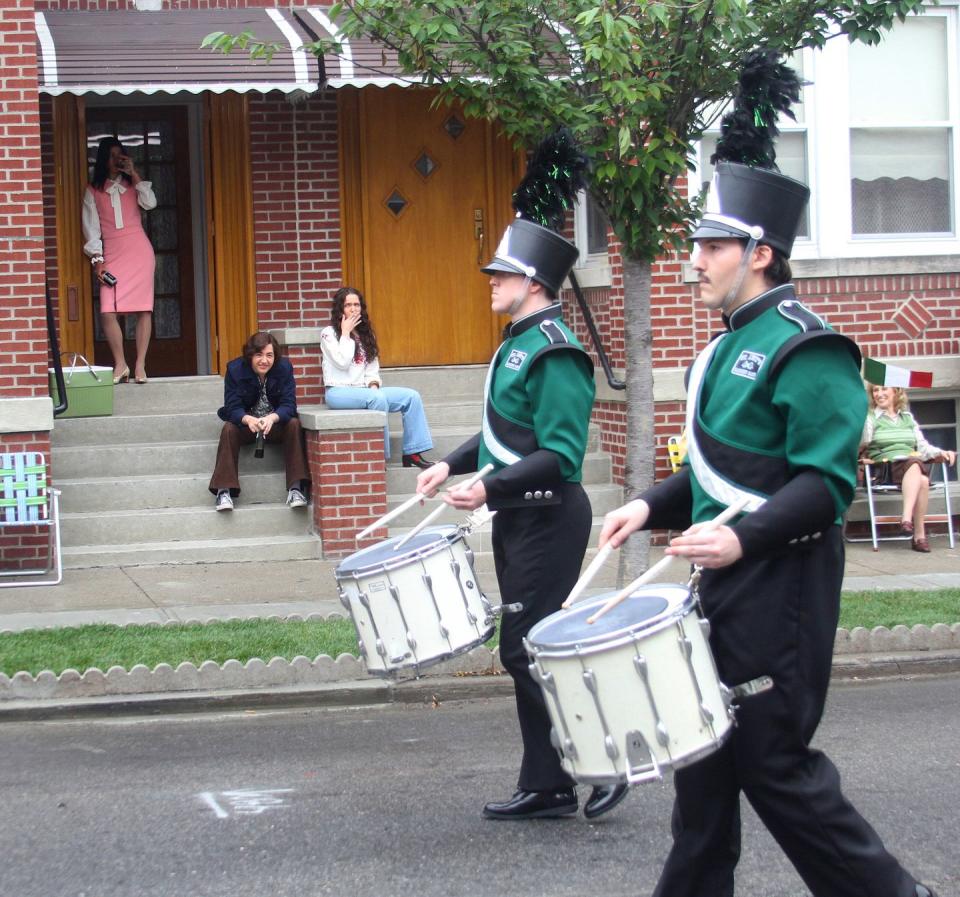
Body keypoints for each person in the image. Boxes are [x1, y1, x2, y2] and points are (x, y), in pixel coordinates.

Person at [598, 159, 939, 897]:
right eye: (696, 245)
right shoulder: (721, 350)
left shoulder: (807, 347)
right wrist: (648, 507)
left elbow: (824, 486)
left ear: (759, 253)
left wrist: (741, 540)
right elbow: (724, 476)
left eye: (712, 246)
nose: (694, 261)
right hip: (728, 585)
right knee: (703, 775)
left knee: (774, 766)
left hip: (782, 591)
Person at [416, 218, 624, 822]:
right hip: (518, 517)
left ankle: (603, 761)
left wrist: (485, 487)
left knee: (527, 651)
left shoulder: (556, 350)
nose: (490, 283)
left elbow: (559, 456)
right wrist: (450, 465)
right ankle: (549, 784)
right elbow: (504, 437)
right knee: (527, 652)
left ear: (533, 282)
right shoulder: (516, 343)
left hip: (551, 517)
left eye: (501, 274)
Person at [320, 287, 434, 469]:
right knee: (377, 397)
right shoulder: (328, 334)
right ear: (340, 309)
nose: (353, 309)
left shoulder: (366, 334)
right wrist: (346, 333)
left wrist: (373, 385)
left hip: (365, 391)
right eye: (348, 305)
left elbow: (372, 369)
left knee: (411, 397)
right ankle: (380, 456)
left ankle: (412, 453)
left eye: (356, 304)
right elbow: (342, 362)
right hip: (338, 392)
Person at [82, 136, 157, 385]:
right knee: (107, 311)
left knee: (143, 309)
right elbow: (91, 228)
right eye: (112, 156)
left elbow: (150, 203)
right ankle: (120, 363)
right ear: (104, 159)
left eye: (120, 155)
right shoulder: (93, 190)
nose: (117, 160)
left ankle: (140, 365)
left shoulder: (133, 184)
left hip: (139, 251)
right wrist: (97, 260)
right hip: (112, 253)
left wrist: (134, 173)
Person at [209, 331, 310, 512]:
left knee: (294, 424)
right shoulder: (235, 370)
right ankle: (224, 491)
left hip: (274, 426)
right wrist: (248, 419)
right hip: (248, 426)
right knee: (229, 428)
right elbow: (232, 407)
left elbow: (289, 404)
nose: (264, 360)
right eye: (259, 355)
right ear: (250, 356)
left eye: (269, 355)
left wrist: (273, 417)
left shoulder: (284, 368)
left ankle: (296, 488)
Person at [860, 384, 956, 552]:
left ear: (896, 392)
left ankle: (915, 532)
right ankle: (912, 526)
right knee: (917, 468)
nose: (879, 394)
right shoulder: (870, 418)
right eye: (875, 390)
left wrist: (943, 452)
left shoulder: (907, 418)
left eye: (884, 389)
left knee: (922, 478)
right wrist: (862, 457)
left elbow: (923, 448)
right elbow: (861, 444)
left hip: (910, 466)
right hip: (885, 468)